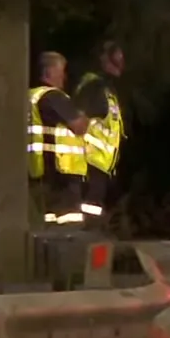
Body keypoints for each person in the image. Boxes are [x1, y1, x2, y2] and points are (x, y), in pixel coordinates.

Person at [28, 51, 91, 226]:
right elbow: (79, 126)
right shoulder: (55, 97)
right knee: (68, 229)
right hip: (62, 176)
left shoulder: (29, 97)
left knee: (45, 227)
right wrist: (83, 113)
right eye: (61, 70)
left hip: (37, 173)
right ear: (49, 73)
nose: (64, 76)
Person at [74, 40, 127, 229]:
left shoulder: (105, 89)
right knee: (89, 211)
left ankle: (91, 236)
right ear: (104, 59)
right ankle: (87, 238)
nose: (121, 63)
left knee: (94, 209)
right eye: (116, 58)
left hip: (100, 164)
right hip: (89, 162)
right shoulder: (94, 87)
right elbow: (78, 121)